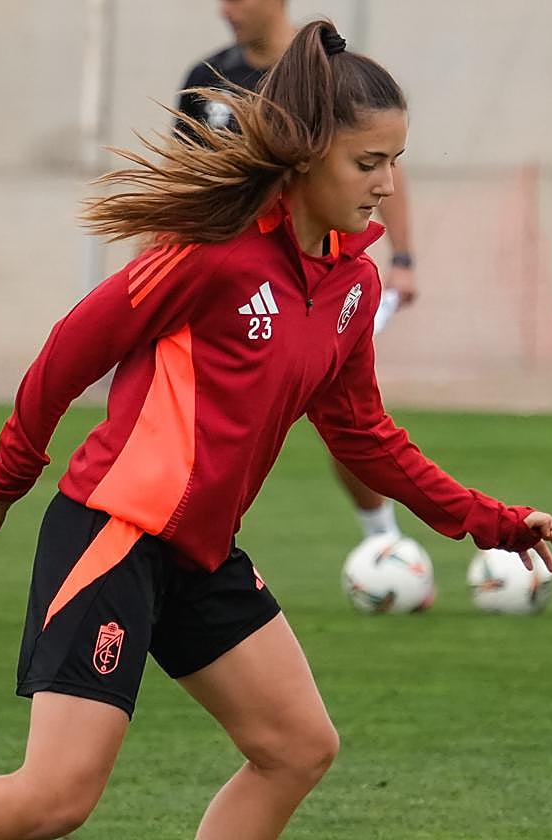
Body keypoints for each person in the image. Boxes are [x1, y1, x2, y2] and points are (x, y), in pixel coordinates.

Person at [0, 20, 552, 840]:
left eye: (396, 162)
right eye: (368, 162)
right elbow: (74, 345)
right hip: (116, 534)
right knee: (56, 796)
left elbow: (366, 437)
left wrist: (491, 521)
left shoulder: (351, 284)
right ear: (308, 155)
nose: (387, 184)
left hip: (199, 554)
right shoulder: (213, 254)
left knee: (298, 748)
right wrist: (12, 464)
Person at [178, 0, 416, 542]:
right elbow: (181, 184)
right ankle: (184, 539)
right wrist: (150, 270)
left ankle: (383, 541)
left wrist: (402, 259)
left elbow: (382, 164)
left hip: (316, 280)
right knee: (220, 414)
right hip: (227, 281)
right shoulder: (206, 79)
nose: (225, 10)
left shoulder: (330, 78)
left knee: (348, 419)